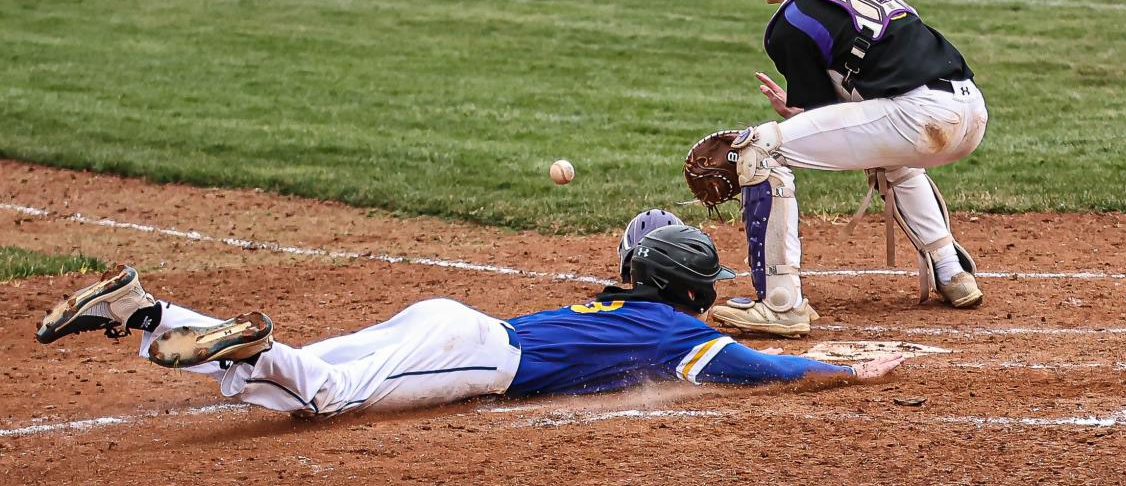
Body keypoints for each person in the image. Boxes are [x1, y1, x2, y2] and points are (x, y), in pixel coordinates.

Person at [35, 223, 903, 418]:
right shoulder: (681, 335)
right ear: (689, 292)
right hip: (473, 353)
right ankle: (253, 346)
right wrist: (840, 371)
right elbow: (756, 370)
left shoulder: (618, 302)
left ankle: (149, 313)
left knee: (298, 374)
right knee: (327, 396)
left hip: (456, 321)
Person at [704, 0, 989, 337]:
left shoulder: (790, 21)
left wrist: (791, 115)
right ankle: (951, 272)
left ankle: (781, 303)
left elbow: (821, 113)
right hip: (969, 108)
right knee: (889, 155)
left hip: (917, 115)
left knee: (757, 150)